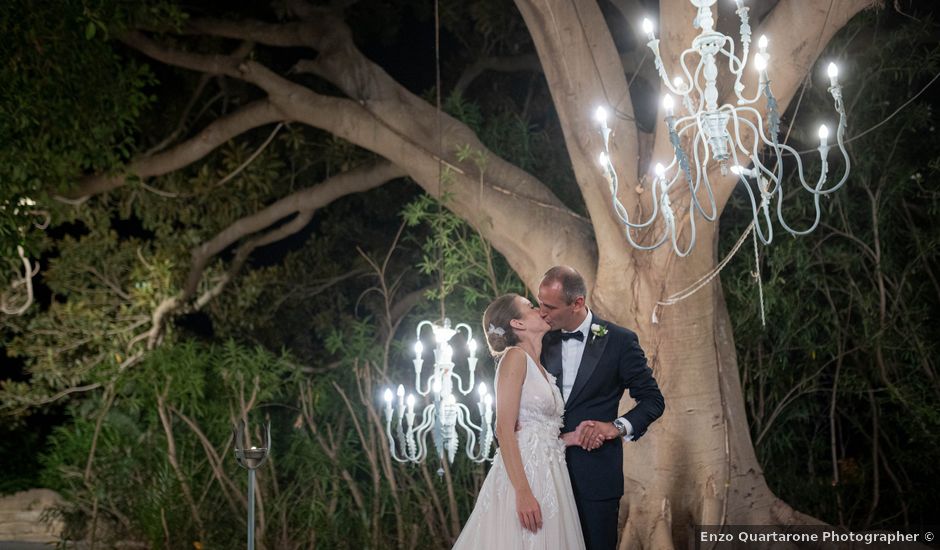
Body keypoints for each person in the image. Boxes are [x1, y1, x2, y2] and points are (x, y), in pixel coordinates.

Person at [538, 266, 665, 550]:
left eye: (549, 306)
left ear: (577, 303)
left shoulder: (620, 341)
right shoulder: (539, 339)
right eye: (539, 302)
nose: (541, 312)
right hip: (545, 472)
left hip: (596, 476)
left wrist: (614, 428)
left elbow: (653, 400)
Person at [452, 293, 586, 550]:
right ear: (518, 324)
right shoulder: (514, 357)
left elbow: (539, 428)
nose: (540, 309)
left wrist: (571, 438)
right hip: (525, 475)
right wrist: (523, 492)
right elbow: (504, 428)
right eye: (530, 307)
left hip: (551, 475)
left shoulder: (542, 368)